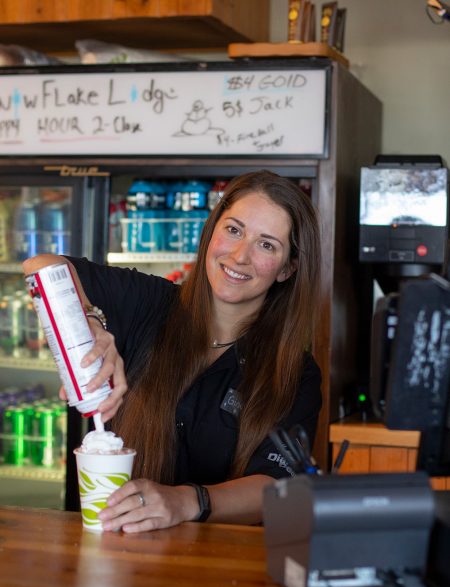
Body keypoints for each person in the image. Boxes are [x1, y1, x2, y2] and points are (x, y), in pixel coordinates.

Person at [23, 170, 322, 533]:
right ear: (211, 231)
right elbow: (42, 266)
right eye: (233, 230)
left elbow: (279, 486)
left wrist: (185, 501)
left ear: (287, 268)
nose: (240, 255)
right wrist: (89, 324)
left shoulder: (292, 370)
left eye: (266, 245)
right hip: (116, 554)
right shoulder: (150, 303)